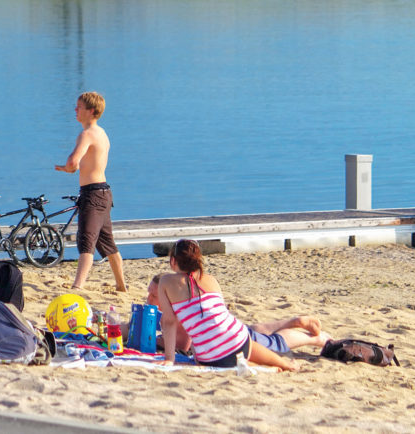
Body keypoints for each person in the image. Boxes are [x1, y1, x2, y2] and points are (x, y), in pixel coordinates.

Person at [156, 239, 298, 371]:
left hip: (211, 358)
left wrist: (170, 359)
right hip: (238, 340)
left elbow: (169, 321)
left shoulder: (166, 282)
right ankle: (283, 364)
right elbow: (218, 316)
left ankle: (262, 366)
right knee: (236, 337)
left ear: (173, 261)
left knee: (202, 348)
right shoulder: (211, 279)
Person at [146, 274, 330, 355]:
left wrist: (158, 341)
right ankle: (293, 321)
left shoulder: (178, 313)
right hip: (231, 329)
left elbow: (186, 345)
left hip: (231, 340)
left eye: (154, 295)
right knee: (251, 330)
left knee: (275, 343)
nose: (148, 299)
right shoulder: (176, 306)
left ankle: (316, 339)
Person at [55, 91, 126, 292]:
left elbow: (72, 162)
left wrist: (67, 168)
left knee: (86, 240)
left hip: (93, 193)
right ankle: (121, 285)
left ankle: (77, 286)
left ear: (91, 111)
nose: (75, 110)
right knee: (107, 242)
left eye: (79, 107)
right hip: (104, 192)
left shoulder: (86, 134)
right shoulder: (102, 133)